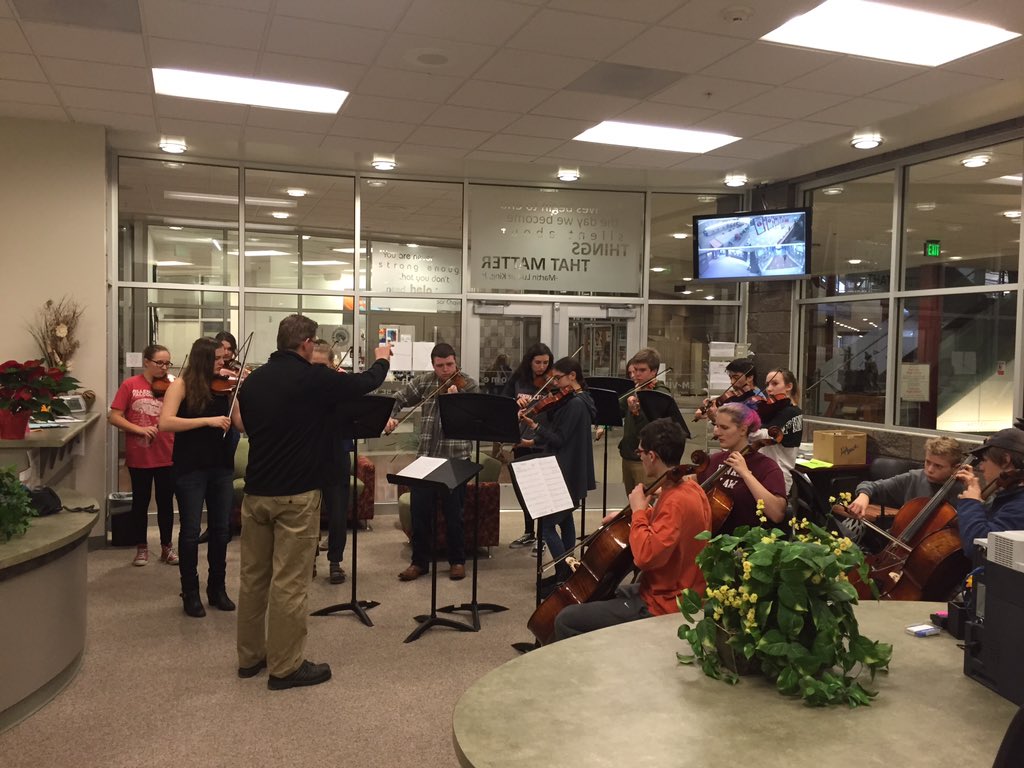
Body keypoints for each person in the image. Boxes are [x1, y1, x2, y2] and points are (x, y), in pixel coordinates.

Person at [235, 315, 390, 690]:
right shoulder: (313, 377)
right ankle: (285, 667)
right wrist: (382, 358)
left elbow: (249, 428)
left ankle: (250, 657)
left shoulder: (252, 382)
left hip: (256, 494)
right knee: (289, 583)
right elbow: (365, 382)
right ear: (306, 343)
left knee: (253, 579)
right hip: (296, 495)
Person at [553, 418, 711, 641]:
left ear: (652, 456)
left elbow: (646, 558)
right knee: (608, 596)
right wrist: (627, 515)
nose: (640, 456)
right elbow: (668, 523)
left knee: (566, 619)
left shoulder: (674, 500)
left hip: (664, 602)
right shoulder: (691, 488)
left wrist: (637, 511)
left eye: (641, 452)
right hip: (676, 588)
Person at [158, 337, 239, 618]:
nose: (223, 362)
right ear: (203, 359)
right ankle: (189, 592)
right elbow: (165, 422)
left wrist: (238, 393)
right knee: (191, 532)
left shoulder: (225, 387)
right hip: (190, 467)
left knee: (221, 531)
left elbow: (239, 424)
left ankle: (217, 588)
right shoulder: (180, 385)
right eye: (217, 358)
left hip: (221, 466)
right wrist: (207, 421)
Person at [385, 343, 477, 583]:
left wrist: (459, 402)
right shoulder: (425, 382)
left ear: (455, 361)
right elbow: (399, 397)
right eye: (440, 366)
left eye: (449, 365)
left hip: (455, 458)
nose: (446, 370)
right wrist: (391, 416)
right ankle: (419, 562)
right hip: (426, 457)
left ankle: (457, 561)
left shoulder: (468, 384)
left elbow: (476, 417)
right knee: (420, 512)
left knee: (453, 513)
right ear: (433, 365)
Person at [518, 356, 596, 584]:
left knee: (547, 526)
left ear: (572, 376)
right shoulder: (580, 400)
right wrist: (532, 442)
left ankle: (564, 570)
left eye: (557, 378)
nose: (553, 383)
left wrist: (535, 426)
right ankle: (568, 568)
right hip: (570, 467)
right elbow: (564, 435)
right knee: (565, 520)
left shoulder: (575, 404)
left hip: (565, 470)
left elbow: (560, 439)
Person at [108, 344, 178, 567]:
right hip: (140, 453)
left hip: (168, 452)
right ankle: (142, 547)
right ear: (146, 362)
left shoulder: (173, 385)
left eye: (167, 363)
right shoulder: (130, 385)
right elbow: (114, 416)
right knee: (141, 501)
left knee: (166, 502)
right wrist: (139, 429)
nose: (164, 367)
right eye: (160, 363)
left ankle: (167, 546)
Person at [696, 402, 787, 533]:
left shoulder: (766, 467)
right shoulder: (715, 460)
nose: (717, 432)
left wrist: (746, 474)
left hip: (748, 545)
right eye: (716, 426)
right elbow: (691, 483)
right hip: (714, 541)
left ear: (743, 430)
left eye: (724, 428)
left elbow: (777, 514)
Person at [501, 343, 554, 549]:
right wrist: (516, 403)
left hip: (543, 441)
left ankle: (543, 535)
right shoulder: (519, 379)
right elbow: (503, 403)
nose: (541, 367)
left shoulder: (552, 382)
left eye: (545, 363)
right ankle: (529, 531)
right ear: (529, 361)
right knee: (523, 490)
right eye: (537, 362)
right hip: (521, 440)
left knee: (542, 491)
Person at [842, 436, 964, 522]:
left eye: (938, 466)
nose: (930, 469)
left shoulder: (964, 492)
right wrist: (864, 496)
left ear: (955, 468)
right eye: (928, 462)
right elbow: (870, 486)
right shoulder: (914, 477)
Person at [311, 339, 351, 585]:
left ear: (332, 364)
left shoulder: (340, 385)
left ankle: (335, 561)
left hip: (336, 453)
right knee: (308, 512)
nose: (317, 372)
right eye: (312, 366)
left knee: (337, 512)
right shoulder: (302, 388)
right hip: (308, 455)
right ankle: (310, 559)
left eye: (322, 366)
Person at [955, 425, 1024, 557]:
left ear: (1005, 460)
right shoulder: (1012, 495)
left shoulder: (1020, 505)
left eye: (985, 460)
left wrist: (971, 502)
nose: (981, 467)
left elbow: (978, 547)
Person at [616, 348, 670, 495]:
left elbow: (649, 430)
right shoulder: (636, 389)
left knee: (645, 504)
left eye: (642, 370)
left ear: (654, 372)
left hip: (645, 459)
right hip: (628, 455)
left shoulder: (659, 394)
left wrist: (636, 413)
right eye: (635, 370)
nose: (636, 375)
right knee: (632, 503)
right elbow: (616, 409)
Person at [752, 368, 803, 495]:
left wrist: (737, 425)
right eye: (767, 384)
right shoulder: (773, 410)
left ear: (789, 386)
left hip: (777, 477)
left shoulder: (791, 412)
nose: (769, 389)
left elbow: (762, 435)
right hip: (765, 473)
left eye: (774, 384)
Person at [694, 358, 760, 423]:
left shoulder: (757, 400)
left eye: (736, 378)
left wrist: (715, 419)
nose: (731, 382)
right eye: (730, 377)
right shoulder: (739, 395)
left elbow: (741, 429)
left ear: (750, 378)